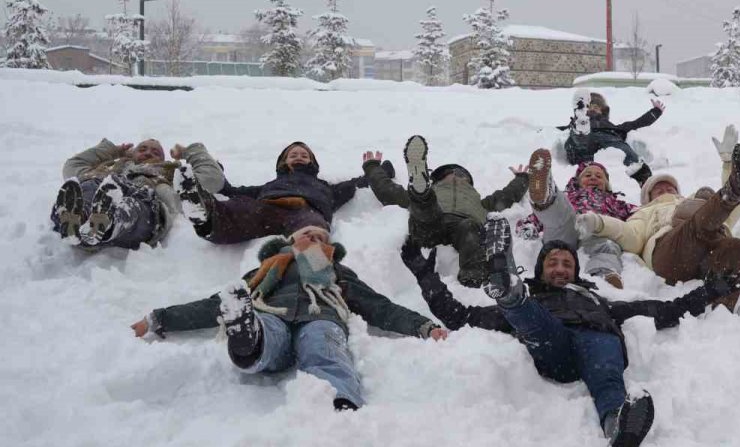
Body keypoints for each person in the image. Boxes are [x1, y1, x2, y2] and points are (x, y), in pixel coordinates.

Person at [401, 215, 740, 446]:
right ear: (540, 269)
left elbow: (663, 310)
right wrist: (424, 275)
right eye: (553, 263)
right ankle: (507, 290)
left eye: (567, 264)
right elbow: (459, 316)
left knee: (608, 376)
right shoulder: (535, 298)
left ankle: (617, 427)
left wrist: (711, 291)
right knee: (529, 315)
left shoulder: (597, 299)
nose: (561, 268)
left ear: (576, 271)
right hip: (552, 341)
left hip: (598, 338)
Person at [131, 225, 448, 410]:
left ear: (329, 248)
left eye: (321, 237)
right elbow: (216, 304)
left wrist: (422, 326)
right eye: (307, 234)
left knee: (324, 348)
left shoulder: (338, 272)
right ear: (290, 242)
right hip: (271, 313)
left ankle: (341, 406)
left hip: (322, 316)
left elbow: (378, 306)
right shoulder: (265, 271)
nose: (314, 238)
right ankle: (248, 343)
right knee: (267, 332)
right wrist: (160, 319)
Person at [575, 125, 740, 311]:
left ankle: (722, 311)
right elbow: (630, 236)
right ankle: (732, 189)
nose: (665, 191)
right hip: (671, 255)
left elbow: (735, 210)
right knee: (695, 214)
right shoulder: (645, 212)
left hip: (708, 254)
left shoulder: (692, 202)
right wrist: (599, 222)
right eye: (659, 189)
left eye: (670, 188)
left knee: (736, 246)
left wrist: (727, 163)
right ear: (648, 197)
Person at [361, 135, 528, 287]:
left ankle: (474, 276)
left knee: (470, 226)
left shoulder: (480, 202)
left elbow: (506, 196)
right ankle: (420, 188)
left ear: (468, 182)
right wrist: (372, 168)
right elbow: (389, 192)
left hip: (464, 227)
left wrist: (522, 178)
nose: (456, 175)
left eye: (461, 174)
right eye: (449, 173)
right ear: (437, 180)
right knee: (425, 206)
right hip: (432, 222)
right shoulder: (436, 191)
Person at [176, 141, 369, 244]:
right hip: (268, 208)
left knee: (312, 225)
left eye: (304, 155)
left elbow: (354, 184)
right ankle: (204, 214)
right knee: (236, 209)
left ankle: (313, 252)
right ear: (284, 162)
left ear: (312, 163)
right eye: (293, 155)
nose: (299, 157)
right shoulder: (270, 185)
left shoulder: (325, 186)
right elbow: (232, 191)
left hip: (306, 209)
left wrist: (376, 169)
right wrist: (218, 169)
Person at [51, 138, 224, 249]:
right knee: (89, 185)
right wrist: (113, 150)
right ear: (132, 153)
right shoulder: (111, 166)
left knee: (131, 206)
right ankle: (78, 217)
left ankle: (107, 222)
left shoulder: (169, 171)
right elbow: (73, 166)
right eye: (142, 149)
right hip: (102, 188)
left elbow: (213, 179)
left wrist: (189, 151)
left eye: (156, 152)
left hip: (145, 202)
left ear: (163, 160)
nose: (148, 152)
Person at [521, 150, 636, 288]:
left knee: (606, 246)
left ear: (606, 185)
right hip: (567, 229)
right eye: (587, 175)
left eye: (599, 176)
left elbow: (638, 216)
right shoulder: (569, 196)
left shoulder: (616, 203)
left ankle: (604, 276)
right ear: (578, 182)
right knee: (561, 212)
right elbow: (537, 218)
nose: (593, 177)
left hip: (596, 232)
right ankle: (546, 196)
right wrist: (529, 226)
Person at [559, 89, 664, 184]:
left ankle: (644, 180)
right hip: (587, 139)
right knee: (580, 140)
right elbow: (551, 132)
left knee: (627, 153)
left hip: (611, 139)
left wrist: (655, 112)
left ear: (602, 111)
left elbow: (636, 123)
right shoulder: (572, 127)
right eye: (588, 107)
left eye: (595, 107)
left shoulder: (615, 127)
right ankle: (581, 129)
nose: (591, 109)